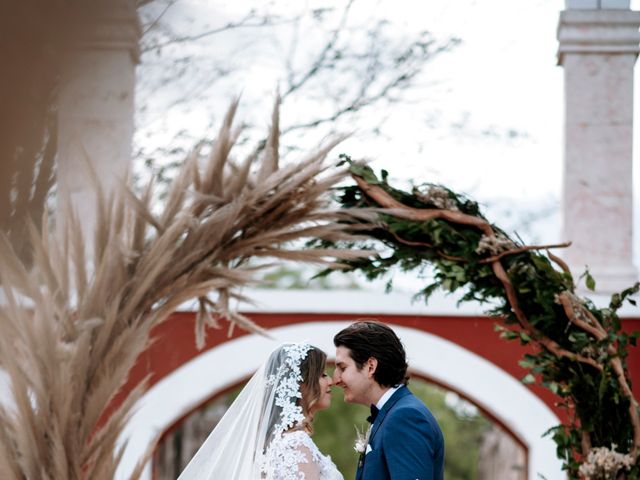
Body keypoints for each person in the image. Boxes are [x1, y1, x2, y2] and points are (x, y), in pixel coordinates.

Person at [178, 343, 344, 480]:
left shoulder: (275, 442)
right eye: (322, 375)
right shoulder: (296, 442)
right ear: (301, 384)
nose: (330, 381)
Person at [333, 321, 445, 480]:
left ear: (370, 366)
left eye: (342, 368)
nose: (335, 379)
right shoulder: (392, 414)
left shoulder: (405, 417)